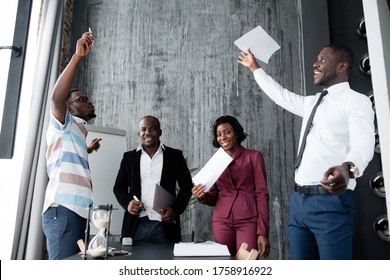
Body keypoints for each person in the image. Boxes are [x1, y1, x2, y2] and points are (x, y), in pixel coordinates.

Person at [237, 44, 375, 259]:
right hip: (299, 203)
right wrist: (255, 68)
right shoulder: (312, 103)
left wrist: (349, 168)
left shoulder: (356, 101)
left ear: (342, 66)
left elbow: (363, 141)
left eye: (323, 59)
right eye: (316, 59)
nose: (315, 63)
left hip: (330, 202)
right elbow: (280, 95)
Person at [42, 31, 102, 260]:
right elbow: (56, 99)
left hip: (79, 211)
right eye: (82, 99)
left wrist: (87, 150)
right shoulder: (63, 123)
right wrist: (77, 56)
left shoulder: (77, 130)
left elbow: (63, 155)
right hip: (64, 210)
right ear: (69, 108)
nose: (89, 102)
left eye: (88, 99)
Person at [192, 115, 270, 257]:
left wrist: (263, 231)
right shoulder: (216, 162)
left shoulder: (254, 156)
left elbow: (262, 193)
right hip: (222, 220)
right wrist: (202, 196)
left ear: (237, 133)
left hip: (248, 219)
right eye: (219, 134)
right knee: (225, 264)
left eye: (227, 132)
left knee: (247, 264)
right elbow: (213, 197)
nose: (223, 137)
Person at [113, 115, 193, 243]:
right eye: (143, 129)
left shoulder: (174, 156)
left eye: (153, 129)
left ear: (160, 132)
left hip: (164, 225)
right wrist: (128, 203)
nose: (147, 133)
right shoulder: (129, 157)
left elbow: (187, 187)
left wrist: (175, 210)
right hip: (135, 224)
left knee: (166, 262)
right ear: (139, 133)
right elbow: (119, 187)